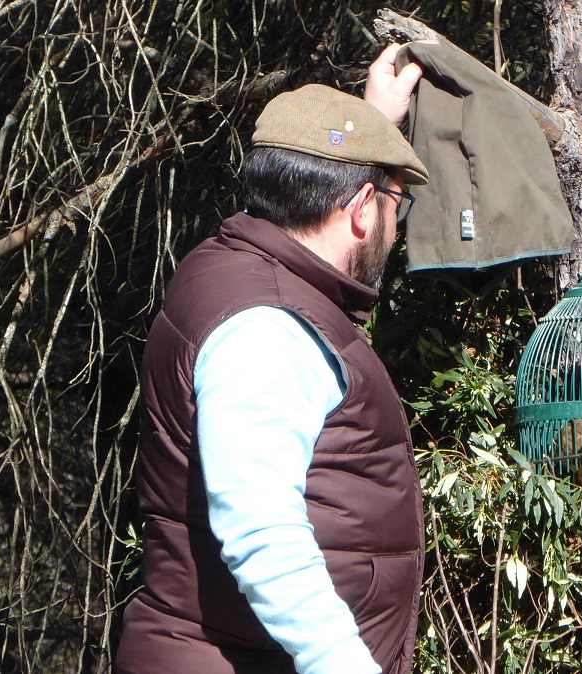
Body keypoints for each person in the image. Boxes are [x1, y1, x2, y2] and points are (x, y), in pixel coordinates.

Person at [116, 44, 428, 674]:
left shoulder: (239, 268)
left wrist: (370, 125)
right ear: (362, 209)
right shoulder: (267, 330)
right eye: (396, 205)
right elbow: (263, 534)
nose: (395, 228)